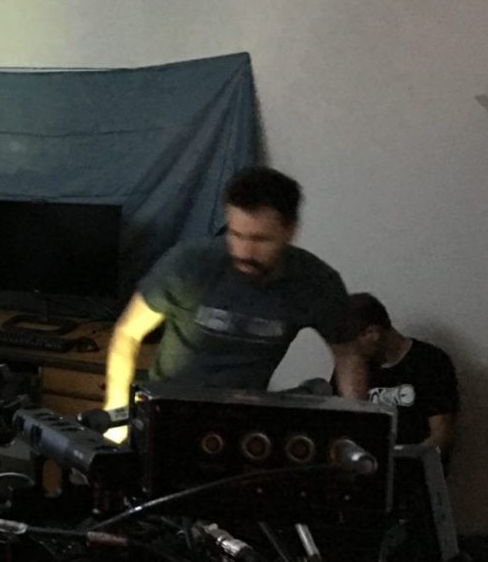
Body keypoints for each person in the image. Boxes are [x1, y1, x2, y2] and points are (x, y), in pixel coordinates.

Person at [104, 166, 366, 424]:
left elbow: (348, 355)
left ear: (290, 231)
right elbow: (128, 333)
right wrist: (116, 415)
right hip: (166, 414)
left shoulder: (315, 282)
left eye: (260, 239)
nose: (244, 251)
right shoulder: (188, 264)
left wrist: (359, 423)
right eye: (236, 234)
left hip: (244, 418)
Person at [346, 292, 458, 457]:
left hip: (413, 466)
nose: (350, 350)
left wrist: (397, 462)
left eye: (352, 342)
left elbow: (442, 435)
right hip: (361, 465)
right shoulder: (353, 365)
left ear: (373, 333)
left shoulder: (430, 362)